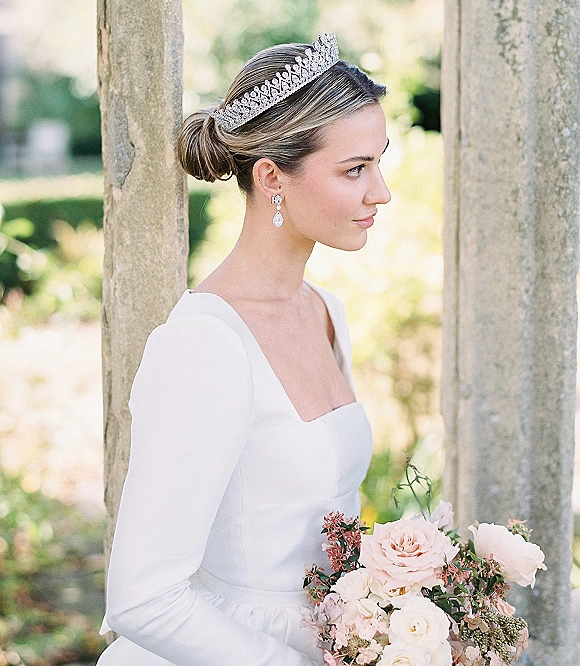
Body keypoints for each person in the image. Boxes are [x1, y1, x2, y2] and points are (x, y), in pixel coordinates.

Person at [96, 33, 391, 666]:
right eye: (355, 170)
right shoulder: (204, 347)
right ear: (270, 177)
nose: (381, 192)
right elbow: (141, 600)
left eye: (378, 162)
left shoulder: (324, 312)